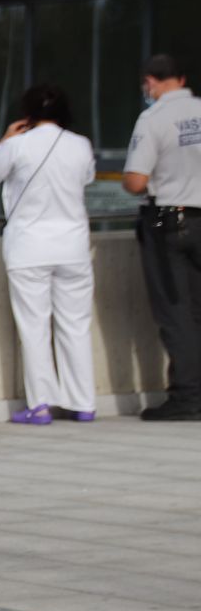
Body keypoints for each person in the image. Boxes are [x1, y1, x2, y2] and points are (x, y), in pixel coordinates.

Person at [0, 84, 97, 425]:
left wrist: (4, 139)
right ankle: (83, 401)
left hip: (30, 247)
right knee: (76, 325)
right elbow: (86, 178)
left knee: (35, 327)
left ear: (27, 113)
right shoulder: (81, 145)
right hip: (73, 246)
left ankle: (41, 404)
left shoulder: (17, 145)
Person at [123, 53, 201, 421]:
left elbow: (136, 181)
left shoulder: (153, 118)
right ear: (182, 79)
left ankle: (187, 397)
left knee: (175, 311)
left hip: (170, 221)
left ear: (150, 82)